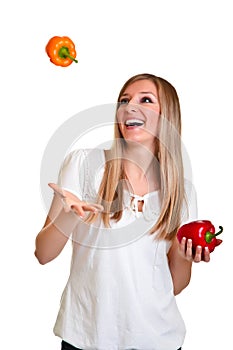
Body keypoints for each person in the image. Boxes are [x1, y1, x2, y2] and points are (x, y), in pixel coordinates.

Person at [35, 73, 210, 350]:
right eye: (124, 100)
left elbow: (173, 285)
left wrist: (184, 255)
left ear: (167, 117)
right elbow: (43, 254)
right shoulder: (84, 165)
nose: (130, 107)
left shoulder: (182, 192)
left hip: (158, 340)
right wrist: (69, 215)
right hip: (87, 337)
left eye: (146, 100)